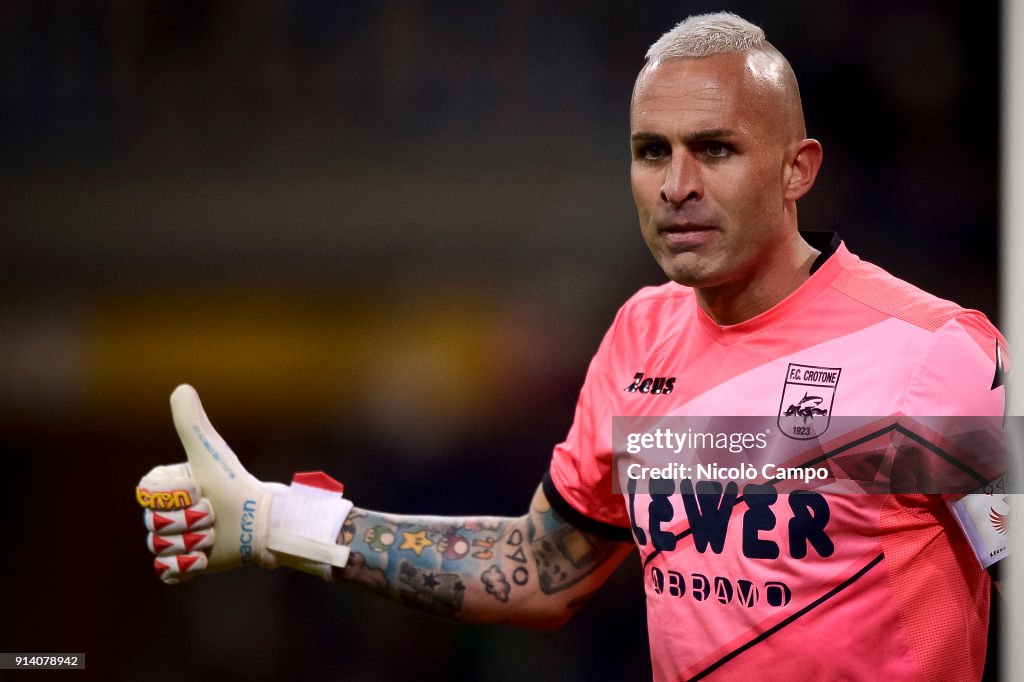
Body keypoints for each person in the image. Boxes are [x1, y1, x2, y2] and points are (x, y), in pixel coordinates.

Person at [135, 12, 1009, 681]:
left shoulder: (934, 354)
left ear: (797, 169)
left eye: (715, 149)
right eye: (649, 152)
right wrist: (277, 520)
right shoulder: (640, 335)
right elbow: (542, 569)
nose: (676, 186)